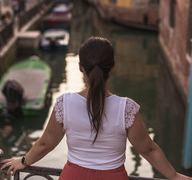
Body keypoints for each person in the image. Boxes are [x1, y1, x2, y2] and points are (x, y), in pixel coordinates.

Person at [0, 36, 192, 180]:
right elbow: (148, 150)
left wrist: (23, 162)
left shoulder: (64, 104)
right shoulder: (126, 108)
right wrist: (174, 176)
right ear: (113, 67)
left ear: (81, 68)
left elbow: (45, 144)